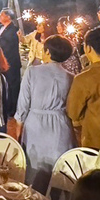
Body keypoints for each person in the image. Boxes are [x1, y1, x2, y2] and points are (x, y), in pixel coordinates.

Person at [15, 35, 76, 186]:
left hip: (35, 124)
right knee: (58, 172)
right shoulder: (71, 77)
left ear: (48, 52)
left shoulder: (32, 72)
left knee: (34, 170)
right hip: (61, 124)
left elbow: (23, 104)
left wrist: (18, 130)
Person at [0, 9, 22, 116]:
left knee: (13, 86)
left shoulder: (13, 29)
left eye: (1, 15)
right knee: (4, 85)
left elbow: (7, 44)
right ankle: (5, 107)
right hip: (1, 62)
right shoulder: (0, 28)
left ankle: (13, 109)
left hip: (11, 61)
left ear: (8, 17)